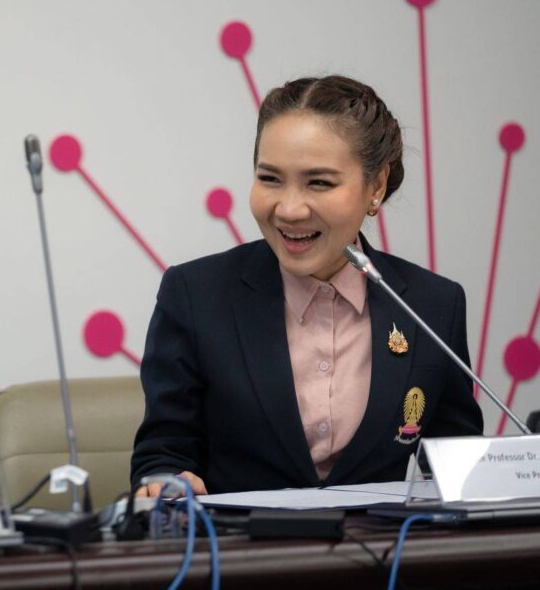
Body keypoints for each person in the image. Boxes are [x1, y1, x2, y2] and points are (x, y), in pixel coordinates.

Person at [131, 75, 483, 496]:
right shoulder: (194, 294)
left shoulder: (432, 304)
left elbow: (460, 467)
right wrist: (168, 481)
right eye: (270, 179)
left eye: (319, 182)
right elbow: (163, 454)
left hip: (383, 557)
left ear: (376, 186)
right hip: (237, 555)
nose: (290, 209)